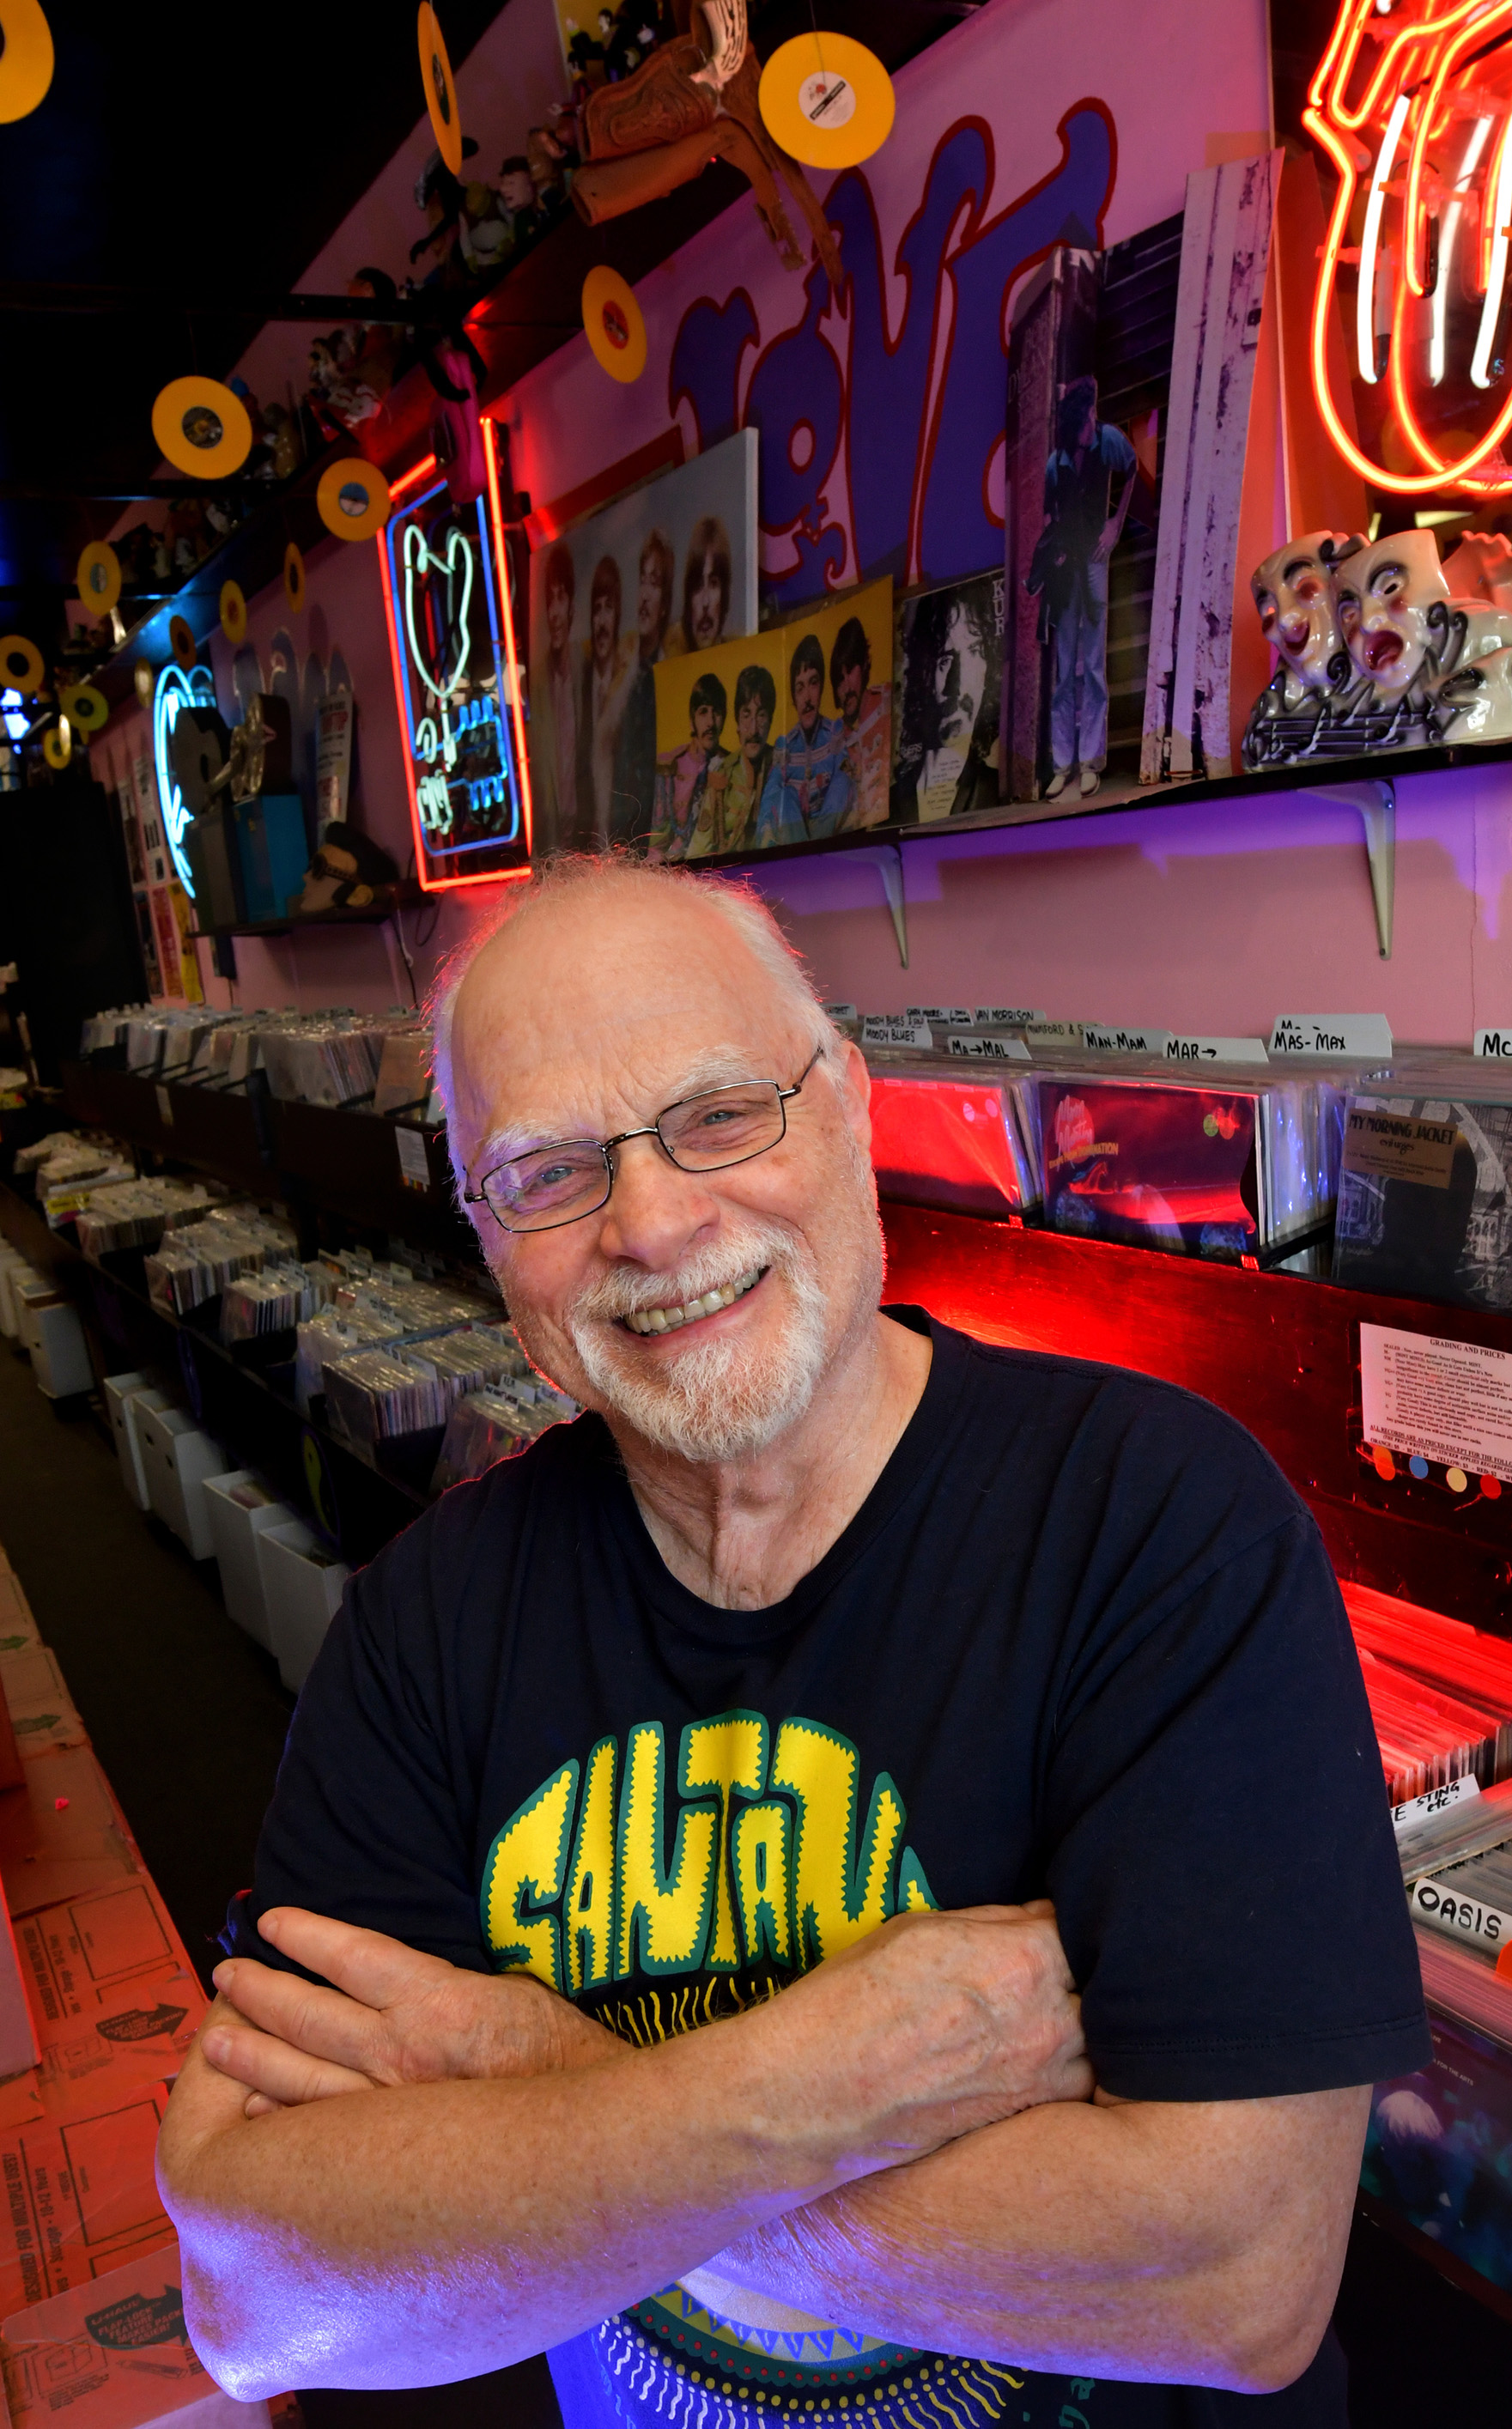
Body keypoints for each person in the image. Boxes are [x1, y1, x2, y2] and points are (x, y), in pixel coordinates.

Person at [156, 857, 1427, 2429]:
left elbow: (1235, 2281)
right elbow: (255, 2290)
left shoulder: (1158, 1520)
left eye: (718, 1112)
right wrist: (808, 2089)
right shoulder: (426, 1617)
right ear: (484, 1226)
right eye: (548, 1168)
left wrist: (542, 2091)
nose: (655, 1219)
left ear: (850, 1103)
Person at [1028, 377, 1135, 802]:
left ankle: (1090, 761)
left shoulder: (1108, 440)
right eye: (1085, 417)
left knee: (1091, 665)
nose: (1091, 422)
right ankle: (1061, 764)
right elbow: (1051, 513)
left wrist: (1115, 523)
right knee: (1062, 671)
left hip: (1093, 559)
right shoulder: (1056, 463)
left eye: (1093, 413)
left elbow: (1131, 472)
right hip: (1067, 566)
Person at [894, 580, 1002, 823]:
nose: (958, 685)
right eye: (944, 660)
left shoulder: (998, 793)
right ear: (923, 676)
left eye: (975, 652)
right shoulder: (892, 805)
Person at [612, 529, 674, 848]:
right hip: (617, 849)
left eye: (655, 582)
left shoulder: (671, 677)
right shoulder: (622, 672)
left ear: (665, 603)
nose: (646, 594)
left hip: (659, 854)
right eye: (643, 581)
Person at [757, 633, 840, 844]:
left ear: (821, 687)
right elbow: (772, 791)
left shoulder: (834, 733)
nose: (807, 698)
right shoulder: (785, 744)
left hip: (829, 836)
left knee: (843, 782)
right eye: (800, 688)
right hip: (794, 839)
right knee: (782, 795)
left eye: (813, 683)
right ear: (794, 697)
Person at [576, 556, 636, 847]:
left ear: (619, 615)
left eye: (608, 608)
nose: (601, 620)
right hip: (591, 853)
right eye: (596, 609)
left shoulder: (631, 686)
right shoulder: (582, 688)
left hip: (627, 850)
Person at [689, 660, 774, 856]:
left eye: (761, 716)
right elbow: (698, 851)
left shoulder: (781, 766)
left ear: (770, 721)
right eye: (746, 715)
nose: (753, 729)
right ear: (736, 721)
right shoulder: (722, 775)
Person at [816, 615, 890, 835]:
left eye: (851, 671)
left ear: (865, 664)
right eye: (839, 679)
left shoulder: (887, 703)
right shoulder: (831, 737)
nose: (846, 687)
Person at [649, 670, 726, 860]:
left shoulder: (730, 766)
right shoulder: (670, 766)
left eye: (716, 712)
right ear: (692, 720)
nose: (710, 722)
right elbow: (656, 844)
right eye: (703, 712)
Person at [538, 541, 580, 850]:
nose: (554, 612)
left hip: (590, 842)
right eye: (548, 600)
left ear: (573, 606)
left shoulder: (587, 675)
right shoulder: (540, 686)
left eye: (560, 598)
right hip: (557, 848)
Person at [668, 514, 734, 654]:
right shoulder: (668, 654)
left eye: (713, 584)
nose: (705, 602)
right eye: (697, 586)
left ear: (724, 594)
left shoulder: (739, 651)